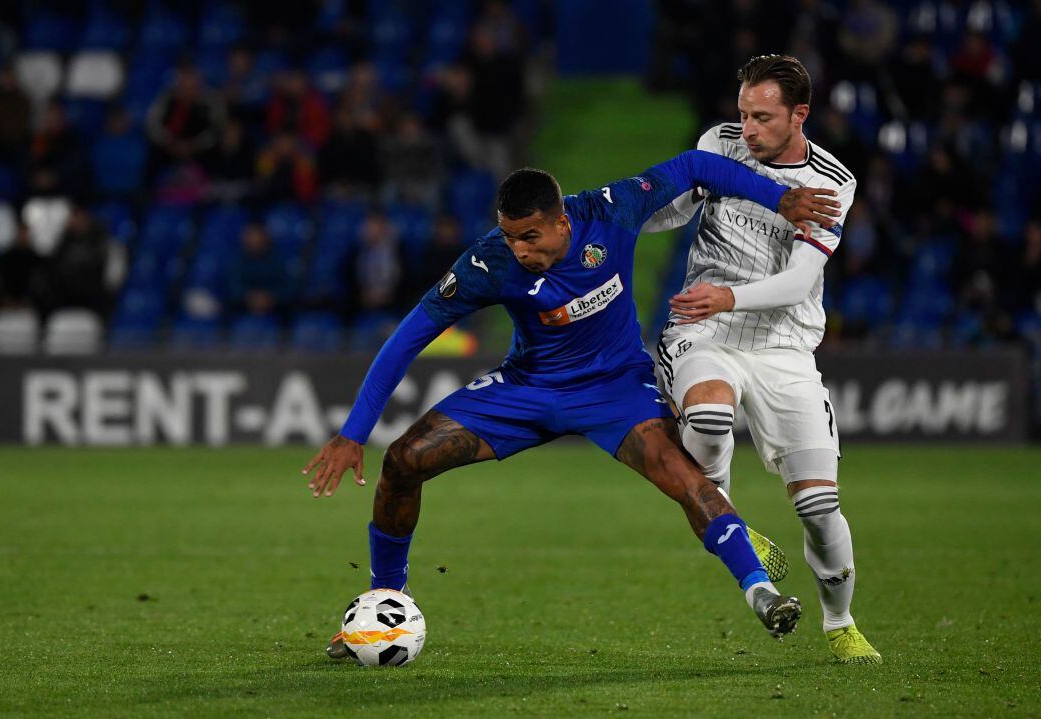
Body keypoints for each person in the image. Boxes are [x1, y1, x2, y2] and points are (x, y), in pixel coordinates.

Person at [303, 147, 841, 658]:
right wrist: (353, 434)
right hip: (529, 388)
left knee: (685, 479)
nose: (519, 249)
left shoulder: (613, 211)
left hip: (616, 389)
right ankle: (383, 607)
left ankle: (761, 592)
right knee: (403, 460)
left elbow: (697, 164)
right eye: (510, 236)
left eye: (529, 236)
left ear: (562, 223)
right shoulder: (490, 263)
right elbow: (407, 339)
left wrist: (779, 198)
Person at [642, 54, 881, 665]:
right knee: (710, 415)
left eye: (763, 117)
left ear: (800, 114)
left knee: (819, 508)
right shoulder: (719, 143)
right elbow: (679, 208)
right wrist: (625, 217)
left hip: (784, 344)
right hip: (705, 329)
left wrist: (729, 294)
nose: (747, 128)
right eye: (744, 113)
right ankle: (728, 520)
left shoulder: (831, 181)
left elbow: (799, 282)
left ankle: (841, 622)